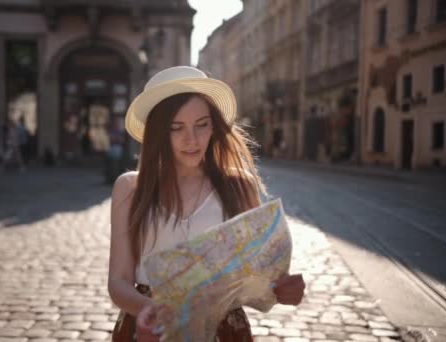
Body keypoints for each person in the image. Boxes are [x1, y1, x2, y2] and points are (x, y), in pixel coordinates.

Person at [108, 66, 305, 342]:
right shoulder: (130, 188)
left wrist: (283, 288)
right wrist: (148, 309)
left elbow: (259, 277)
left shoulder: (239, 185)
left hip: (223, 330)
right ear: (157, 133)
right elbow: (118, 280)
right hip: (150, 329)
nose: (192, 139)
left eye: (201, 124)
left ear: (214, 126)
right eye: (176, 128)